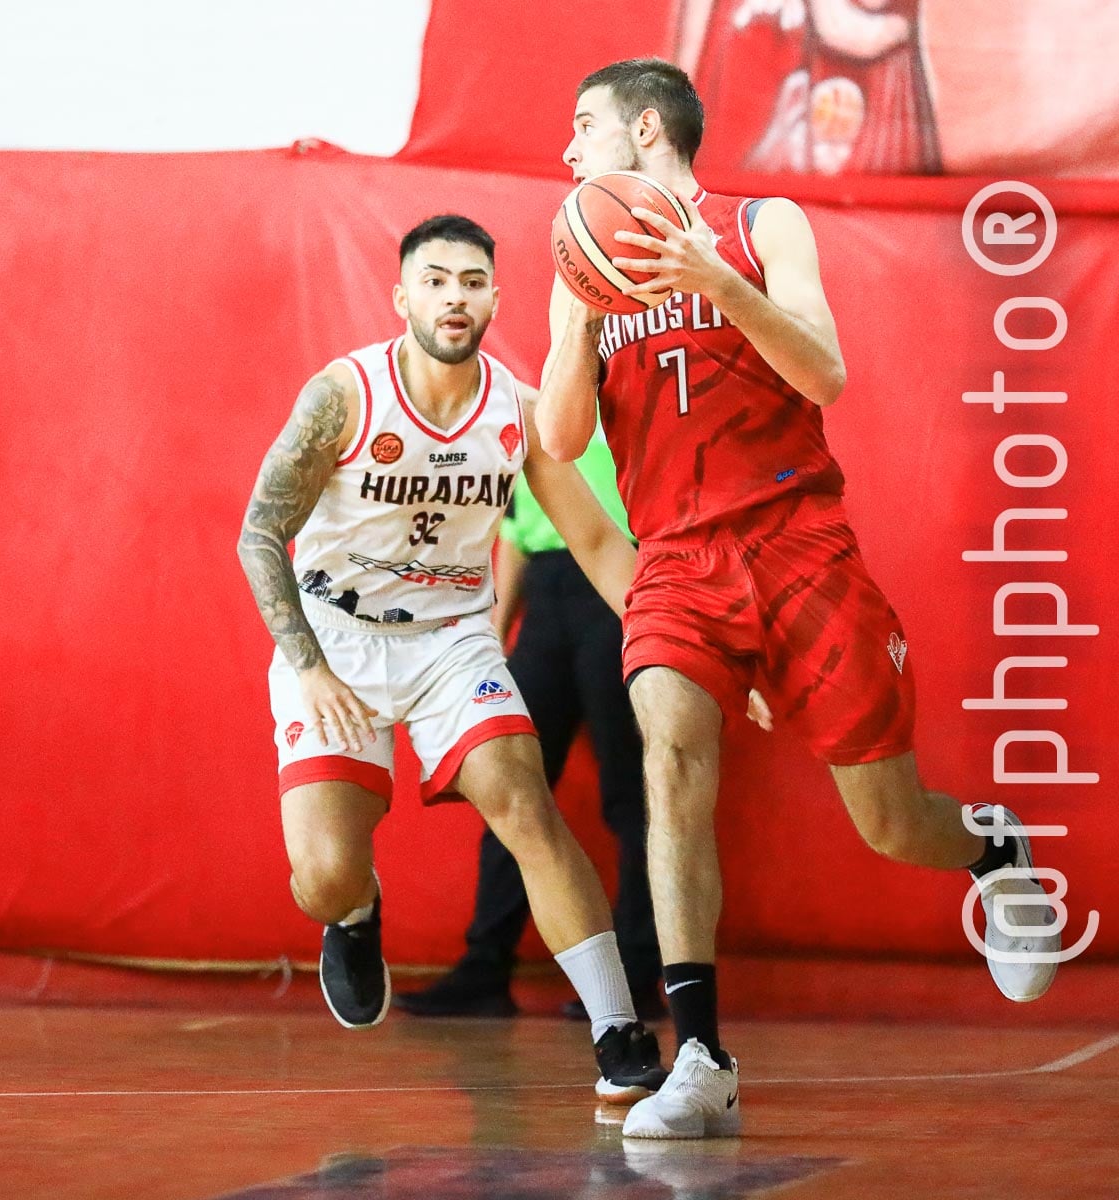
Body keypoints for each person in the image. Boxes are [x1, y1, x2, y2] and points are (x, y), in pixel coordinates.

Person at [536, 58, 1062, 1139]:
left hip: (797, 538)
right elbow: (560, 439)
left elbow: (823, 372)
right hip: (677, 558)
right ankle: (703, 1058)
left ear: (645, 129)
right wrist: (584, 314)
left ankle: (994, 847)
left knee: (891, 824)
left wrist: (712, 279)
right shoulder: (576, 262)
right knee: (670, 750)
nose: (567, 149)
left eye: (582, 125)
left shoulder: (761, 223)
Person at [236, 214, 668, 1106]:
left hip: (449, 642)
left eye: (471, 281)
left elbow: (595, 539)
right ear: (404, 298)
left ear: (494, 298)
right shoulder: (344, 395)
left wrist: (682, 641)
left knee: (523, 798)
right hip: (333, 641)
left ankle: (617, 1029)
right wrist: (309, 666)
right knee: (320, 878)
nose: (453, 297)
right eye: (435, 281)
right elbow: (258, 534)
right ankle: (354, 916)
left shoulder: (515, 410)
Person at [395, 428, 663, 1021]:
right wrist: (492, 637)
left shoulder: (630, 402)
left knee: (635, 799)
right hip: (545, 601)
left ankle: (639, 977)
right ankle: (486, 967)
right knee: (513, 786)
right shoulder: (541, 418)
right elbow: (515, 534)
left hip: (618, 586)